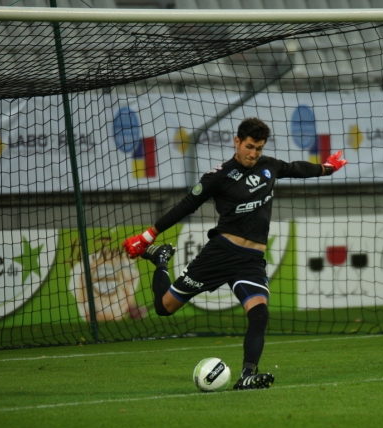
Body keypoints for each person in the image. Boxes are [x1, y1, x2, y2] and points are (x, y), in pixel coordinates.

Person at [122, 117, 347, 390]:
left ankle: (247, 376)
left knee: (260, 313)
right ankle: (160, 261)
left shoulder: (269, 166)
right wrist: (148, 236)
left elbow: (296, 168)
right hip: (221, 254)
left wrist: (325, 169)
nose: (253, 154)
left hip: (251, 261)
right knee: (164, 308)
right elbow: (186, 205)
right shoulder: (218, 176)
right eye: (250, 146)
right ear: (237, 142)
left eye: (259, 148)